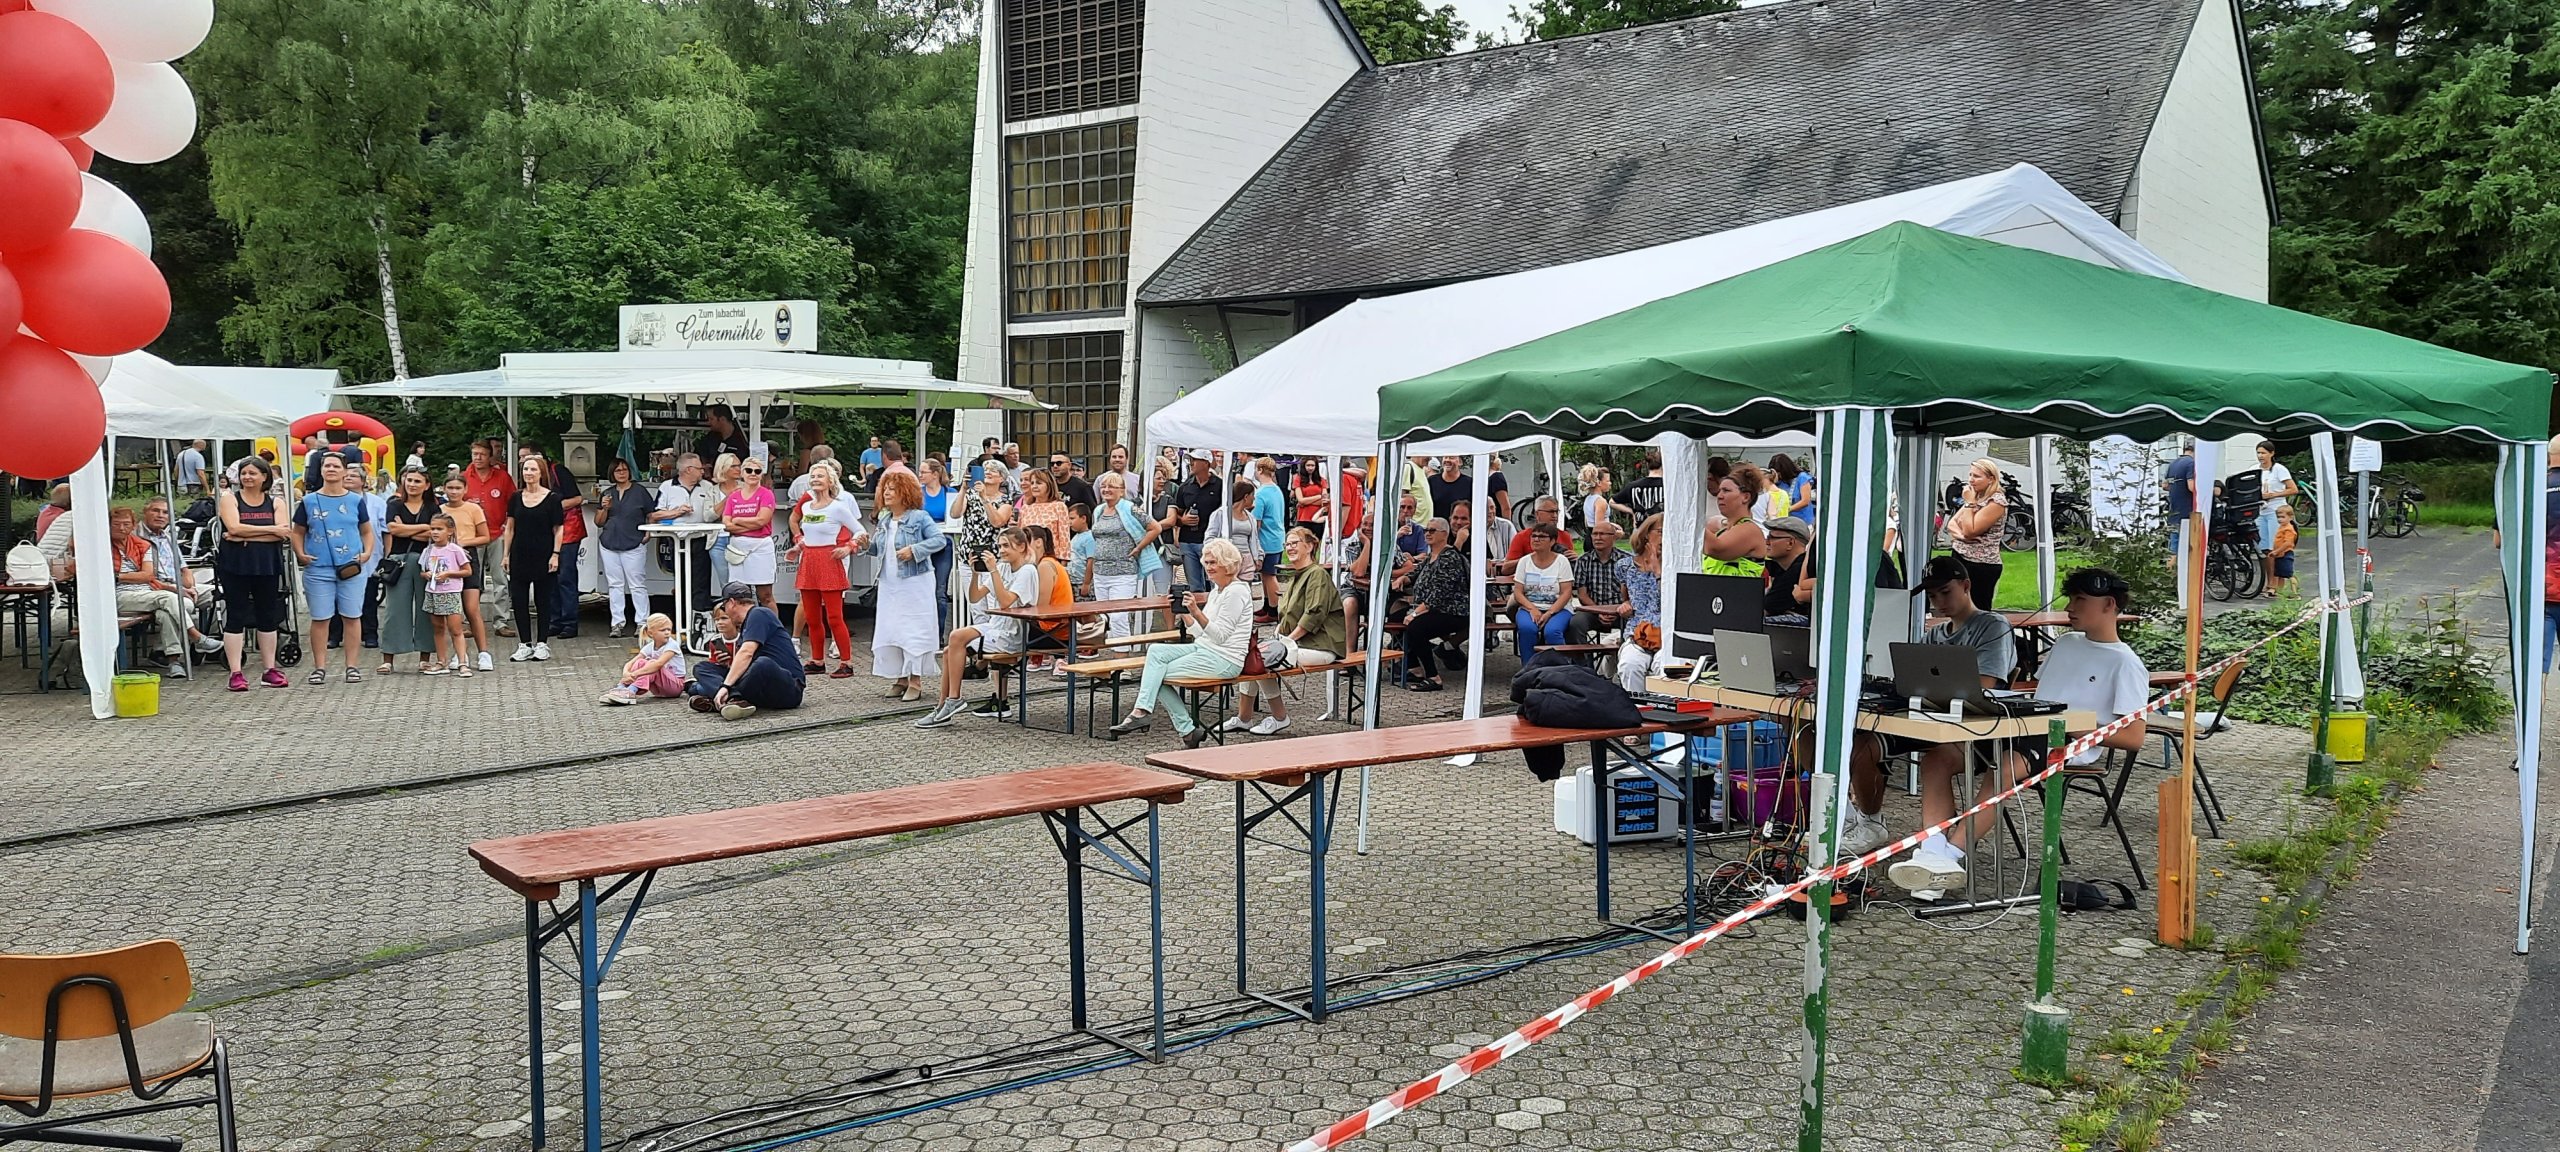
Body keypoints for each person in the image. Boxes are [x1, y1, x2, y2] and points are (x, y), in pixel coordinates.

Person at [1890, 567, 2150, 897]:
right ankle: (1932, 851)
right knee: (1937, 758)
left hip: (2067, 741)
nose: (2070, 607)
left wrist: (2079, 726)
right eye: (2071, 599)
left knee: (2003, 768)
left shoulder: (2126, 663)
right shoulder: (2067, 643)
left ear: (2109, 604)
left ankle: (1947, 859)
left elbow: (2134, 738)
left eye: (2080, 600)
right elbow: (2041, 694)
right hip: (2025, 725)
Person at [1107, 537, 1254, 747]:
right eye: (1206, 562)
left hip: (1225, 659)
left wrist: (1196, 611)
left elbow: (1220, 636)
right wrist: (1184, 612)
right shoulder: (1217, 591)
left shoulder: (1237, 591)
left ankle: (1173, 724)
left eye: (1213, 562)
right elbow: (1201, 635)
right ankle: (1152, 716)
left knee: (1155, 674)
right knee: (1156, 652)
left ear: (1227, 563)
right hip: (1204, 649)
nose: (1208, 567)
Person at [915, 527, 1043, 727]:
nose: (1001, 551)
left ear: (1021, 547)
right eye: (999, 546)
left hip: (1012, 634)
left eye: (1006, 546)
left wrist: (993, 570)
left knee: (955, 639)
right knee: (950, 648)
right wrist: (976, 573)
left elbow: (1005, 602)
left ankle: (953, 700)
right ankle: (944, 705)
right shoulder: (1003, 567)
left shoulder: (1027, 571)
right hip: (996, 626)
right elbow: (975, 597)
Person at [1226, 527, 1346, 736]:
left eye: (1294, 543)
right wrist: (1275, 639)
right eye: (1287, 544)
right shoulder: (1296, 576)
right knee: (1252, 656)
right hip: (1298, 644)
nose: (1289, 548)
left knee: (1261, 662)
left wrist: (1286, 642)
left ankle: (1280, 717)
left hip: (1321, 646)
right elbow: (1286, 617)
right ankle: (1244, 718)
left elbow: (1314, 614)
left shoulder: (1317, 575)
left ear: (1309, 546)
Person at [848, 466, 946, 697]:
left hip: (915, 582)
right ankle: (901, 678)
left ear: (905, 492)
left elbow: (939, 540)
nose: (887, 493)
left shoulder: (919, 517)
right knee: (892, 628)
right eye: (885, 489)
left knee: (913, 628)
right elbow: (879, 549)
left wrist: (915, 550)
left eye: (892, 489)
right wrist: (866, 546)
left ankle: (915, 681)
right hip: (889, 584)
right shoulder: (885, 519)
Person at [291, 452, 376, 684]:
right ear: (321, 470)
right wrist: (300, 553)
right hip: (318, 568)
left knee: (352, 616)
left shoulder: (356, 501)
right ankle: (319, 667)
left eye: (336, 466)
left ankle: (352, 666)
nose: (331, 469)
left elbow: (366, 531)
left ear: (344, 471)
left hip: (351, 568)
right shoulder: (308, 501)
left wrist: (367, 552)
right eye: (326, 465)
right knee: (320, 618)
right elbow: (297, 532)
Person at [216, 457, 294, 690]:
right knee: (236, 615)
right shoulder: (230, 499)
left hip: (267, 564)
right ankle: (236, 673)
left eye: (252, 473)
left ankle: (269, 669)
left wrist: (243, 535)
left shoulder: (276, 502)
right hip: (235, 565)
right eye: (244, 473)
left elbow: (284, 533)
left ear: (264, 477)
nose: (247, 477)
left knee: (267, 615)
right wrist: (270, 530)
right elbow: (233, 527)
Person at [107, 508, 204, 676]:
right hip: (119, 596)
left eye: (126, 524)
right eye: (116, 524)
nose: (121, 528)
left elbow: (148, 575)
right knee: (169, 599)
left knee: (166, 614)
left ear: (133, 526)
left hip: (147, 592)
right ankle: (197, 637)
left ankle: (173, 661)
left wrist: (118, 576)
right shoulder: (102, 546)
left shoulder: (141, 545)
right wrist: (129, 578)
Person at [687, 582, 804, 720]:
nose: (726, 612)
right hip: (762, 686)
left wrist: (726, 685)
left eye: (724, 607)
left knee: (763, 664)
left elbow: (747, 652)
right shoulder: (747, 624)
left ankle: (722, 697)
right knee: (701, 667)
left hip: (789, 689)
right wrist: (729, 665)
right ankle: (733, 700)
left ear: (731, 603)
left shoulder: (759, 614)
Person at [373, 466, 440, 673]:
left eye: (417, 481)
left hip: (425, 561)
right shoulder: (394, 504)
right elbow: (393, 529)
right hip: (398, 561)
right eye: (409, 480)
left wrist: (407, 530)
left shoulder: (433, 507)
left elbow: (435, 533)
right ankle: (388, 658)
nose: (412, 484)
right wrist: (423, 528)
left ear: (426, 485)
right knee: (395, 610)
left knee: (425, 608)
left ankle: (425, 657)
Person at [501, 455, 568, 662]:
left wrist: (556, 554)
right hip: (520, 554)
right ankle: (524, 644)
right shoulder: (515, 497)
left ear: (541, 473)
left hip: (544, 554)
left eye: (533, 469)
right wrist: (505, 555)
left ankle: (542, 643)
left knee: (543, 600)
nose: (528, 473)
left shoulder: (553, 499)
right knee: (519, 600)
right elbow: (510, 528)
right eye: (525, 469)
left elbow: (558, 529)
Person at [1087, 472, 1164, 648]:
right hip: (1100, 572)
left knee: (1119, 616)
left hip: (1123, 572)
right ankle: (1112, 655)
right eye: (1104, 486)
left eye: (1111, 486)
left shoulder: (1130, 509)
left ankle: (1123, 656)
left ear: (1122, 491)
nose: (1106, 490)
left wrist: (1138, 547)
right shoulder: (1098, 510)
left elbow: (1155, 527)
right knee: (1106, 616)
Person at [1395, 519, 1469, 690]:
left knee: (1416, 627)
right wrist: (1404, 578)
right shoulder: (1431, 555)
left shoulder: (1449, 558)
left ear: (1444, 534)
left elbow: (1439, 594)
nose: (1427, 533)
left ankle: (1433, 677)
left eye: (1432, 530)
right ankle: (1414, 668)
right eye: (1426, 530)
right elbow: (1416, 572)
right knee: (1394, 619)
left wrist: (1415, 613)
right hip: (1431, 608)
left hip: (1452, 611)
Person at [136, 496, 216, 650]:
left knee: (220, 594)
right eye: (155, 511)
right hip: (154, 588)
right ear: (145, 512)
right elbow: (145, 578)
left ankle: (203, 645)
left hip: (176, 585)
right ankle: (167, 652)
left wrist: (191, 587)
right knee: (181, 605)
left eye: (165, 512)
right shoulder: (135, 537)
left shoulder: (168, 536)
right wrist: (178, 590)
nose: (160, 515)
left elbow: (184, 568)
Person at [440, 476, 497, 672]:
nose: (454, 492)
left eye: (458, 488)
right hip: (446, 561)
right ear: (444, 489)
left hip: (467, 558)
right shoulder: (440, 510)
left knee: (472, 609)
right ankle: (459, 653)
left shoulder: (473, 509)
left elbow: (485, 537)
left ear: (465, 490)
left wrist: (461, 543)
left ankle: (484, 653)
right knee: (452, 611)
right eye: (450, 488)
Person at [593, 458, 655, 637]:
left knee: (637, 585)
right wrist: (605, 508)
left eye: (624, 470)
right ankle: (617, 623)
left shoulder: (640, 491)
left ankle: (642, 623)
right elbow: (598, 522)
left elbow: (650, 514)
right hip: (609, 543)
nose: (621, 473)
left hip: (633, 542)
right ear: (612, 474)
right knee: (615, 585)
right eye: (618, 470)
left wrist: (649, 532)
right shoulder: (607, 493)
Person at [462, 441, 516, 635]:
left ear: (490, 456)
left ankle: (501, 622)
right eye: (474, 454)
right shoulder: (464, 477)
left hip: (497, 534)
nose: (477, 458)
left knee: (500, 578)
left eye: (482, 454)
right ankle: (469, 621)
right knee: (471, 579)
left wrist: (507, 524)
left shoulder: (502, 477)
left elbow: (514, 502)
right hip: (472, 537)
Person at [1946, 457, 2009, 609]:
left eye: (1976, 476)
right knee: (1957, 605)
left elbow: (1970, 531)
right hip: (1960, 556)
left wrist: (1969, 503)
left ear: (1991, 479)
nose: (1971, 480)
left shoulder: (1996, 502)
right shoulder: (1977, 496)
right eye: (1970, 475)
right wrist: (1961, 537)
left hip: (1981, 564)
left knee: (1976, 608)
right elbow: (1952, 524)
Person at [1614, 514, 1666, 693]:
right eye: (1661, 531)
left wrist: (1658, 570)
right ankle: (1637, 706)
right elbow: (1627, 596)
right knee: (1629, 666)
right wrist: (1626, 604)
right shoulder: (1625, 566)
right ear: (1646, 534)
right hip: (1638, 631)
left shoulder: (1673, 566)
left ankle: (1663, 708)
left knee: (1664, 668)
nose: (1666, 536)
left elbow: (1670, 599)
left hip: (1666, 632)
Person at [721, 455, 780, 611]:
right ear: (742, 473)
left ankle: (772, 625)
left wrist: (738, 520)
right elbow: (726, 524)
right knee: (739, 594)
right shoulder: (733, 497)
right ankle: (743, 624)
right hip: (738, 547)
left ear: (762, 474)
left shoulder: (766, 494)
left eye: (757, 471)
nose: (753, 474)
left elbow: (762, 520)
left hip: (760, 546)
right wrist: (751, 525)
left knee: (765, 595)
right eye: (749, 470)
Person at [1509, 524, 1576, 659]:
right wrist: (1532, 609)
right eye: (1533, 536)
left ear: (1552, 541)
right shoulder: (1524, 562)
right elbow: (1518, 593)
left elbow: (1566, 593)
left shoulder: (1562, 561)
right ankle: (1529, 668)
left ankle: (1562, 666)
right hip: (1529, 607)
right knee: (1527, 629)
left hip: (1559, 609)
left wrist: (1550, 613)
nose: (1536, 539)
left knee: (1553, 631)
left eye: (1542, 537)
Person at [419, 515, 474, 677]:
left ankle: (462, 662)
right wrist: (426, 575)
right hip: (433, 592)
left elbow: (467, 571)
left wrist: (449, 573)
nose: (435, 532)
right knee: (438, 628)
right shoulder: (428, 550)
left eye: (439, 529)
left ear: (450, 531)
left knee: (455, 629)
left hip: (450, 592)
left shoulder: (455, 550)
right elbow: (422, 571)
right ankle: (441, 661)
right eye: (432, 529)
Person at [1567, 518, 1631, 642]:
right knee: (1576, 623)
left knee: (1636, 620)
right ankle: (1582, 654)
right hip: (1593, 610)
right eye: (1595, 534)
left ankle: (1626, 651)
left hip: (1621, 610)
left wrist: (1619, 610)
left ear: (1613, 537)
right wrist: (1599, 611)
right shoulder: (1583, 561)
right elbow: (1582, 595)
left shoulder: (1626, 560)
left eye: (1602, 534)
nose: (1598, 538)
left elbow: (1633, 593)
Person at [602, 612, 686, 703]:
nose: (667, 633)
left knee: (652, 664)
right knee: (640, 662)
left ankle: (631, 690)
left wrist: (635, 674)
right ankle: (622, 687)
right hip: (659, 688)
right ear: (651, 633)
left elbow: (659, 664)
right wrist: (626, 673)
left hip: (675, 686)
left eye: (669, 629)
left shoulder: (672, 645)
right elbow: (631, 663)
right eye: (663, 630)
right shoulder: (650, 646)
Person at [1170, 449, 1222, 590]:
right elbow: (1176, 513)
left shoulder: (1220, 486)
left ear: (1206, 463)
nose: (1191, 463)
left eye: (1194, 460)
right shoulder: (1185, 487)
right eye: (1190, 460)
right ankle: (1198, 605)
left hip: (1211, 541)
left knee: (1216, 583)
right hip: (1188, 541)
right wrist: (1183, 520)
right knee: (1194, 586)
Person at [1208, 479, 1266, 603]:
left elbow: (1254, 539)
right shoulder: (1220, 514)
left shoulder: (1250, 517)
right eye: (1252, 495)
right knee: (1225, 594)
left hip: (1246, 560)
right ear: (1246, 497)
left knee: (1244, 595)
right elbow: (1209, 538)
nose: (1254, 499)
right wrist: (1217, 554)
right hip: (1227, 560)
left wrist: (1259, 557)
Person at [2254, 441, 2299, 596]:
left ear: (2271, 453)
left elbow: (2293, 489)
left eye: (2263, 453)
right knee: (2264, 549)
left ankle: (2276, 584)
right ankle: (2269, 582)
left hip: (2275, 510)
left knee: (2276, 547)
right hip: (2261, 511)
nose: (2260, 456)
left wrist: (2274, 495)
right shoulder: (2254, 469)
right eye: (2258, 453)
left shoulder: (2279, 469)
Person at [1702, 473, 1767, 579]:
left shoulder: (1750, 529)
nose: (1719, 496)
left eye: (1726, 490)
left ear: (1746, 497)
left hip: (1738, 590)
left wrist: (1693, 518)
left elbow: (1715, 549)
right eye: (1719, 491)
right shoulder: (1722, 532)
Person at [1501, 496, 1579, 573]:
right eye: (1551, 512)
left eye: (1556, 512)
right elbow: (1506, 569)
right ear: (1537, 514)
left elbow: (1570, 568)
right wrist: (1531, 559)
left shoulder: (1565, 536)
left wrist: (1575, 559)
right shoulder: (1522, 537)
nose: (1555, 516)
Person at [1760, 516, 1814, 623]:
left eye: (1772, 538)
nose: (1767, 542)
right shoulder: (1786, 568)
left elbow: (1767, 606)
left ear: (1790, 543)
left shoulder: (1797, 570)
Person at [1250, 457, 1288, 607]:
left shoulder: (1260, 493)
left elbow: (1256, 521)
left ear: (1260, 470)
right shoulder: (1276, 489)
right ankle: (1267, 605)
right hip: (1277, 536)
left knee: (1269, 575)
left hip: (1266, 540)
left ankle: (1275, 608)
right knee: (1266, 574)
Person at [1016, 469, 1073, 566]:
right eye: (1032, 483)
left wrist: (1063, 563)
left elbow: (1064, 538)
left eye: (1039, 483)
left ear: (1049, 485)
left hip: (1050, 559)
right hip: (1027, 559)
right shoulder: (1025, 508)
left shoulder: (1059, 506)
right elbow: (1020, 535)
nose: (1034, 486)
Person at [2163, 439, 2197, 565]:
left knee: (2173, 548)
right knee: (2190, 548)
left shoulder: (2173, 464)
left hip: (2174, 511)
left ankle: (2169, 573)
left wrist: (2177, 488)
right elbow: (2191, 487)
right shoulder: (2191, 463)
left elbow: (2165, 485)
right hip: (2187, 512)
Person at [694, 404, 750, 469]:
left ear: (722, 419)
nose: (708, 422)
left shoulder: (743, 439)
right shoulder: (710, 438)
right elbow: (700, 455)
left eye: (711, 419)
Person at [1425, 457, 1473, 533]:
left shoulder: (1470, 483)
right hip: (1437, 532)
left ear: (1460, 462)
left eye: (1451, 458)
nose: (1447, 460)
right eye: (1445, 457)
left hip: (1460, 532)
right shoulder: (1431, 481)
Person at [1773, 453, 1818, 524]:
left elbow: (1805, 501)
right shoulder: (1779, 482)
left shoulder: (1802, 477)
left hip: (1803, 521)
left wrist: (1787, 509)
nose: (1779, 476)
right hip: (1786, 521)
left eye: (1779, 473)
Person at [1624, 450, 1664, 524]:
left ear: (1647, 464)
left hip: (1641, 526)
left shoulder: (1633, 486)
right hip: (1663, 526)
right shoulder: (1669, 487)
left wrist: (1632, 512)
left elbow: (1612, 502)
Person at [2268, 504, 2299, 597]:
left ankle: (2295, 593)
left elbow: (2288, 543)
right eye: (2278, 517)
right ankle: (2280, 591)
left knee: (2289, 574)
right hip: (2279, 554)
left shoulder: (2289, 529)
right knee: (2279, 574)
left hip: (2285, 553)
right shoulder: (2282, 527)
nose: (2280, 519)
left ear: (2291, 517)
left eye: (2283, 517)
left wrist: (2276, 551)